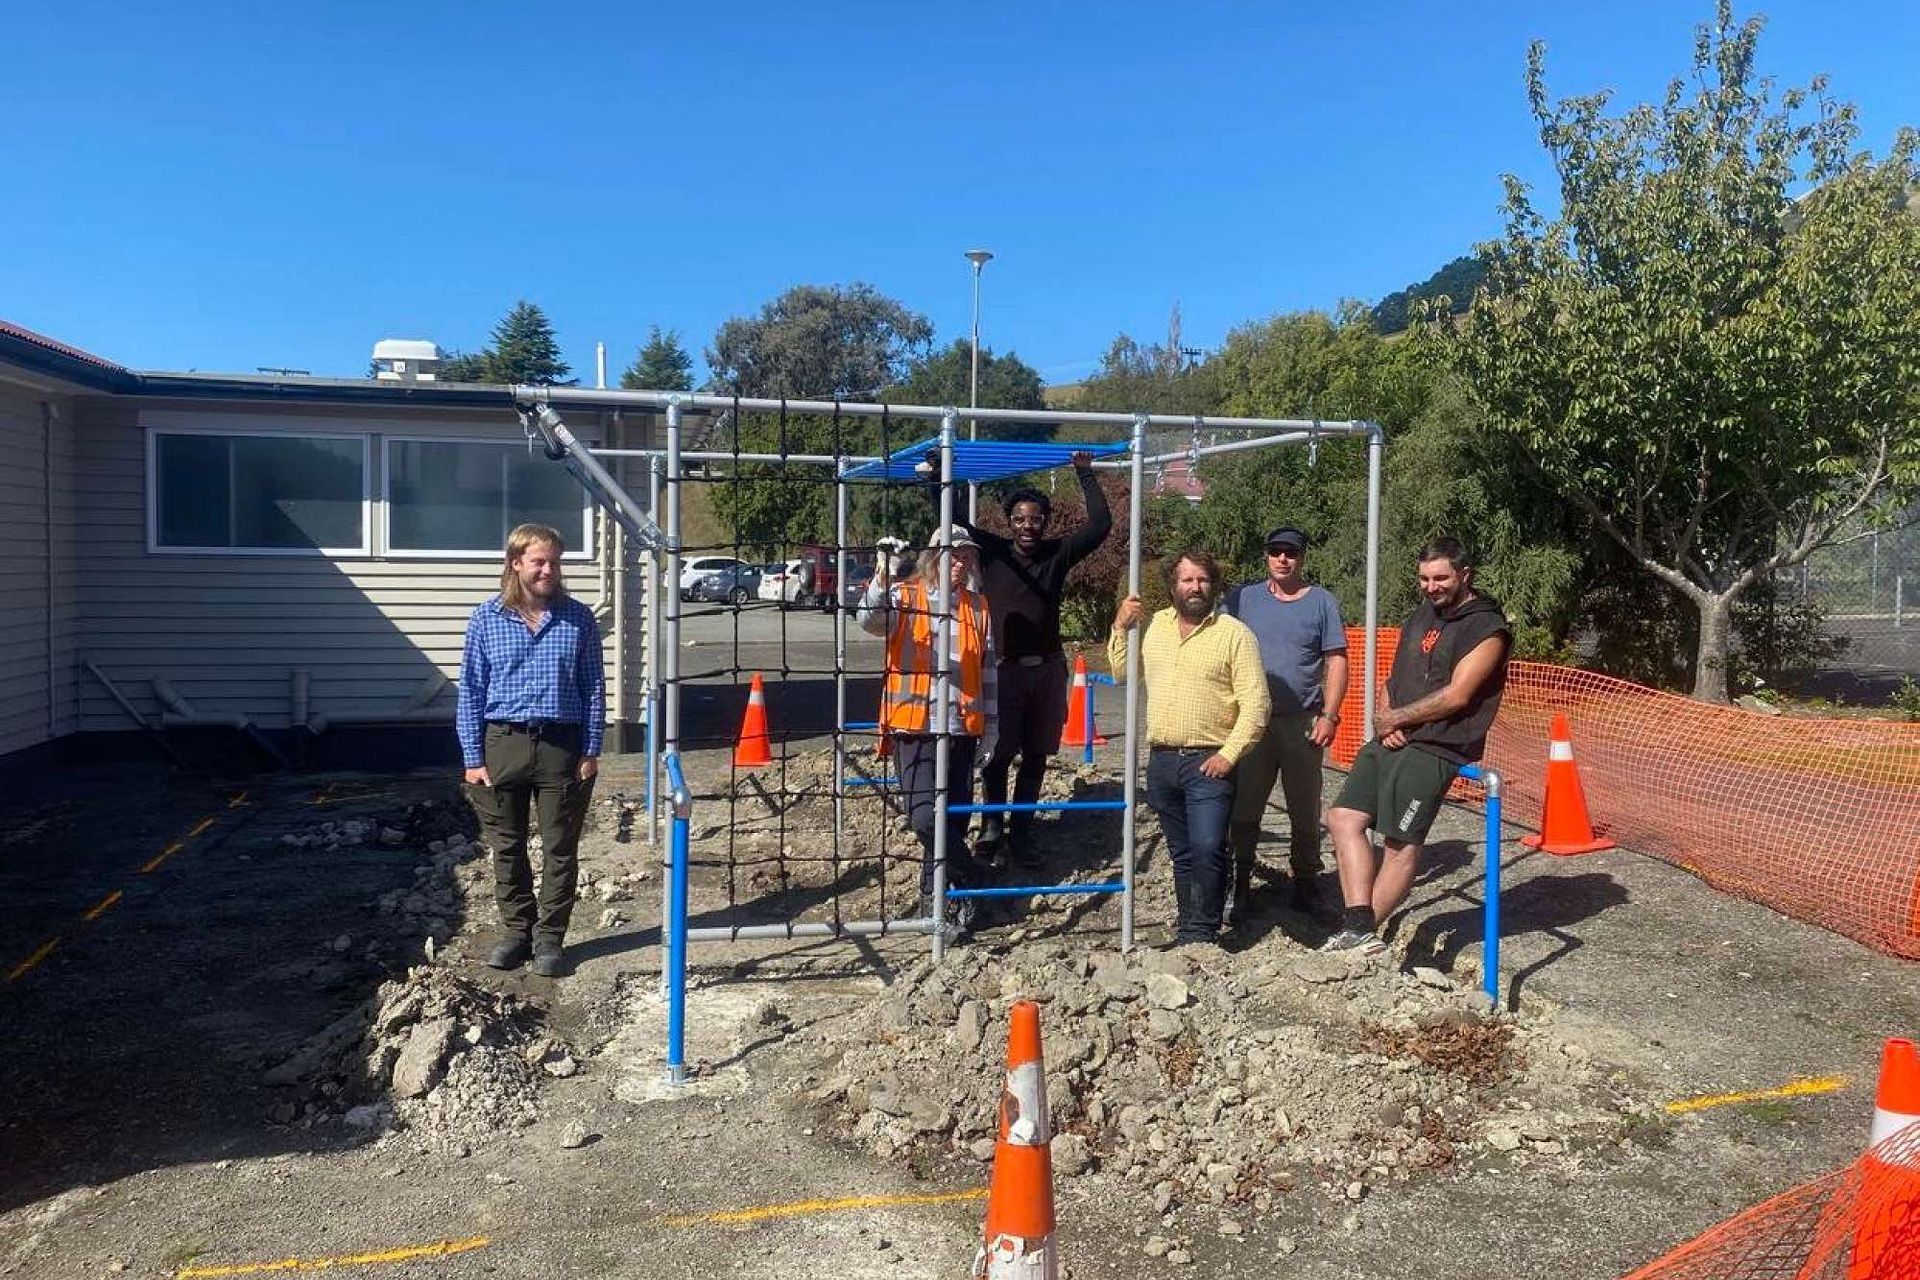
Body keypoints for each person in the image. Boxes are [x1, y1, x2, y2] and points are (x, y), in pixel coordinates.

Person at [1322, 537, 1510, 955]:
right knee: (1343, 817)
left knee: (1400, 841)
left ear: (1465, 574)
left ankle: (1360, 934)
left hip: (1437, 747)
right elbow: (1396, 677)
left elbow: (1458, 694)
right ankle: (1358, 924)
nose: (1431, 586)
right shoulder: (1422, 614)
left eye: (1441, 578)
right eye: (1424, 578)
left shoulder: (1487, 628)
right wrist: (1385, 718)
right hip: (1393, 735)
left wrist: (1397, 719)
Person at [939, 451, 1111, 866]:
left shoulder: (1057, 554)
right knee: (998, 754)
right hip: (1004, 671)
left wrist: (1084, 474)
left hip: (1047, 670)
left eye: (1034, 519)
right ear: (1009, 523)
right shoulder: (996, 552)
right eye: (1019, 519)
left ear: (1044, 521)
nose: (1027, 526)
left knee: (1036, 754)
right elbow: (953, 519)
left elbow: (1101, 525)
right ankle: (992, 829)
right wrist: (941, 476)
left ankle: (1023, 834)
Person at [457, 523, 605, 978]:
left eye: (555, 562)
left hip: (562, 745)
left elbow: (594, 688)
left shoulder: (579, 619)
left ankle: (549, 941)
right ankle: (517, 933)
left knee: (560, 847)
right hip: (502, 743)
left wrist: (592, 748)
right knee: (507, 845)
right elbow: (471, 690)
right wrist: (472, 757)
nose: (548, 570)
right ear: (516, 563)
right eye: (539, 561)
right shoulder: (487, 618)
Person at [1109, 550, 1269, 945]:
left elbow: (1257, 704)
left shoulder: (1234, 634)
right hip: (1162, 761)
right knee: (1182, 853)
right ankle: (1189, 926)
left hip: (1208, 761)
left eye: (1202, 580)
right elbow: (1121, 673)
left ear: (1213, 585)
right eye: (1186, 580)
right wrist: (1119, 626)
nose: (1195, 587)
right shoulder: (1156, 626)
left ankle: (1203, 931)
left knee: (1208, 847)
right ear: (1173, 586)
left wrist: (1228, 755)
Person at [858, 525, 998, 933]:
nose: (960, 563)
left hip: (962, 729)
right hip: (914, 726)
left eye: (966, 556)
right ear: (932, 557)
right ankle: (971, 881)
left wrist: (991, 729)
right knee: (923, 818)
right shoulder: (906, 596)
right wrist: (883, 574)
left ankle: (936, 904)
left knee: (952, 821)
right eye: (952, 555)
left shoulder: (978, 607)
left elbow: (988, 673)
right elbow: (868, 620)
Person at [1223, 525, 1349, 924]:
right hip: (1251, 722)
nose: (1283, 559)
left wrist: (1329, 715)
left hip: (1303, 723)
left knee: (1304, 807)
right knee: (1244, 808)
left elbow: (1336, 660)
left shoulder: (1322, 603)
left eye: (1290, 553)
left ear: (1302, 558)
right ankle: (1238, 883)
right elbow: (1218, 645)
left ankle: (1306, 885)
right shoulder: (1242, 598)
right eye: (1276, 551)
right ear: (1266, 555)